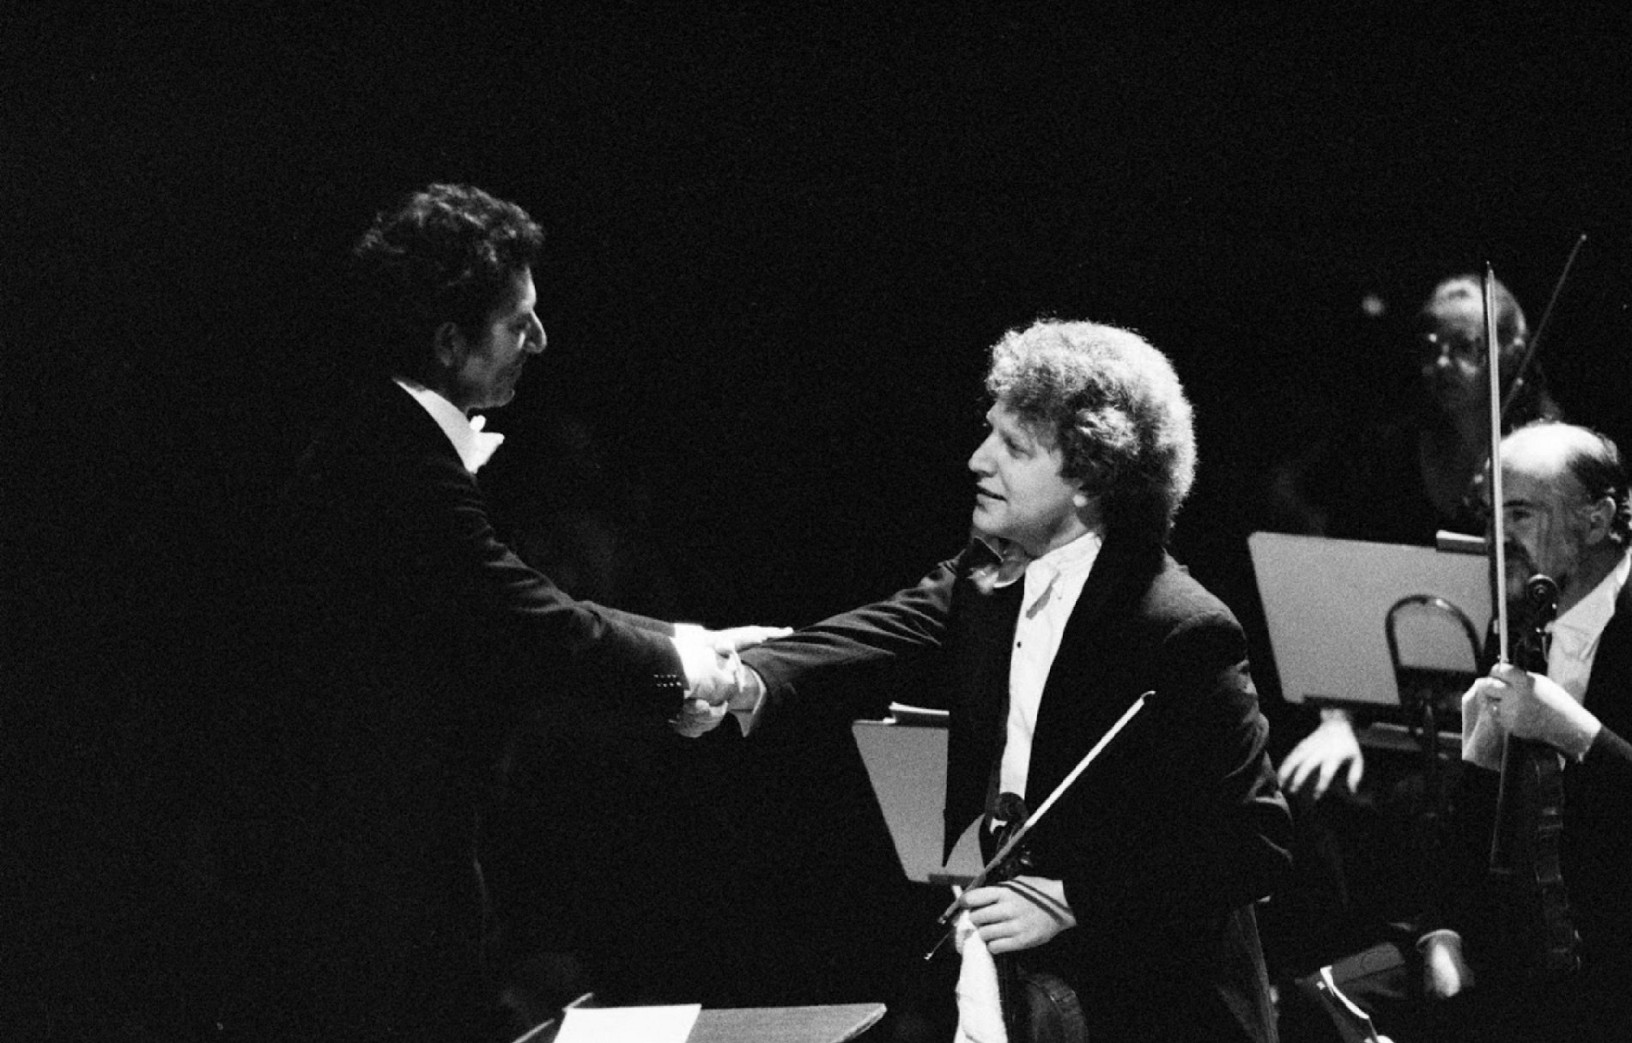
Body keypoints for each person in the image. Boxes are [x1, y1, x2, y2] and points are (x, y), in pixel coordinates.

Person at [221, 183, 776, 1042]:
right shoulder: (393, 459)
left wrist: (680, 642)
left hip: (381, 869)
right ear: (449, 341)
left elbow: (512, 606)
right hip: (365, 891)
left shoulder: (384, 438)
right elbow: (526, 622)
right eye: (519, 323)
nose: (541, 339)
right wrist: (689, 670)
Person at [701, 319, 1292, 1042]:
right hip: (1019, 975)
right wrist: (746, 677)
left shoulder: (1180, 627)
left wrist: (1074, 897)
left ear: (1091, 478)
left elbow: (1254, 843)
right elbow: (883, 632)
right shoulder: (991, 569)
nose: (978, 459)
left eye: (1014, 447)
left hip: (1148, 998)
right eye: (990, 433)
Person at [1275, 273, 1562, 805]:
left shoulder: (1553, 461)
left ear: (1513, 351)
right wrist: (1337, 718)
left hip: (1510, 725)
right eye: (1431, 348)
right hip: (1396, 714)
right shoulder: (1392, 454)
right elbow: (1344, 584)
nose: (1442, 364)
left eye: (1465, 347)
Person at [1419, 420, 1632, 1041]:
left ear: (1597, 521)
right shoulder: (1520, 618)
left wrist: (1580, 735)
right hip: (1532, 945)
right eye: (1491, 517)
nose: (1496, 539)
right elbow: (1476, 811)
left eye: (1519, 515)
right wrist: (1442, 932)